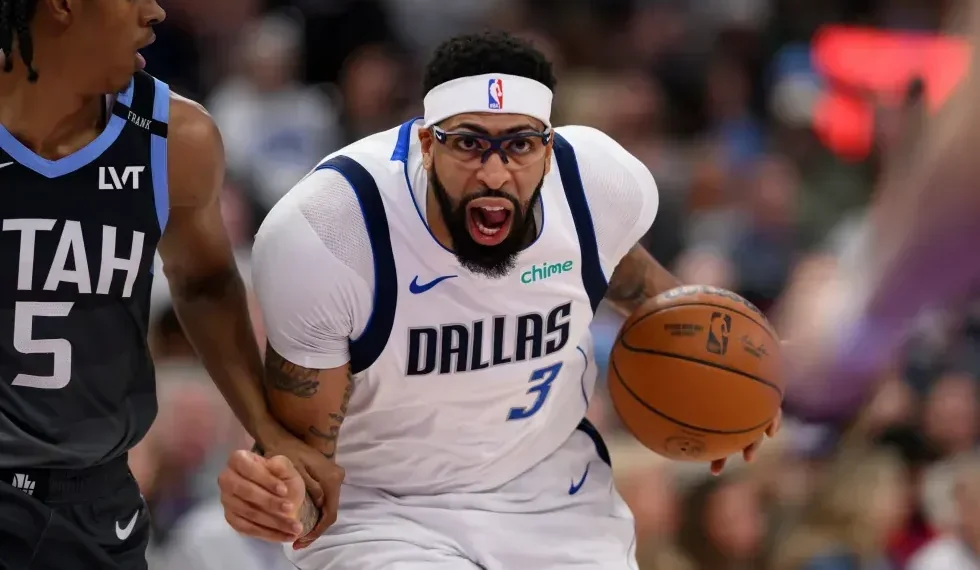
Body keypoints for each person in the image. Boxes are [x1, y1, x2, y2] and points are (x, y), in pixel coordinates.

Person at [217, 31, 780, 569]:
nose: (494, 171)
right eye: (467, 143)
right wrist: (282, 495)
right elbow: (309, 461)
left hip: (553, 490)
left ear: (549, 151)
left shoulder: (597, 188)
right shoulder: (331, 232)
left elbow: (648, 294)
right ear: (425, 144)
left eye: (518, 145)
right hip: (386, 512)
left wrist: (732, 383)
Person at [0, 1, 336, 568]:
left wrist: (267, 429)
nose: (155, 11)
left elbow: (204, 284)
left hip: (94, 502)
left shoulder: (175, 136)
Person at [779, 0, 980, 422]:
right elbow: (805, 344)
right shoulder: (854, 228)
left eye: (902, 112)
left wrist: (859, 329)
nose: (890, 124)